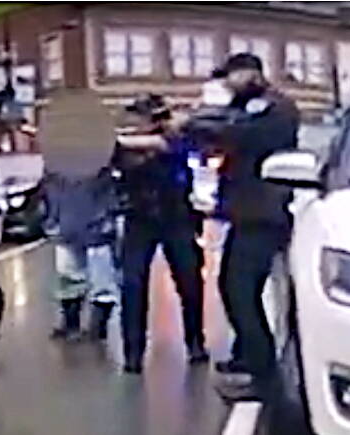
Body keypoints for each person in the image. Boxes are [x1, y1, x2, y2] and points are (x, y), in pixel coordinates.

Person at [190, 53, 299, 402]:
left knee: (239, 290)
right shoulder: (249, 107)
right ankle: (246, 357)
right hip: (249, 212)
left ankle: (263, 372)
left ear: (250, 73)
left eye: (231, 77)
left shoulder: (273, 109)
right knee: (236, 287)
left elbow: (237, 132)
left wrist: (196, 122)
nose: (228, 85)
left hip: (263, 214)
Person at [113, 94, 208, 375]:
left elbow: (170, 145)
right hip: (139, 218)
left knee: (189, 281)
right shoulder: (124, 147)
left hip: (176, 216)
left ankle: (195, 342)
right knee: (132, 285)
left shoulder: (175, 140)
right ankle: (133, 352)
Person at [40, 162, 121, 342]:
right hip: (74, 225)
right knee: (71, 276)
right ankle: (75, 324)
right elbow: (49, 191)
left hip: (90, 225)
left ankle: (93, 327)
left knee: (99, 280)